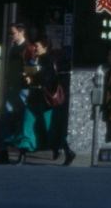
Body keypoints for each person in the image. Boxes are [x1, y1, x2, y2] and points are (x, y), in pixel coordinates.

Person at [19, 36, 75, 165]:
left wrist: (32, 78)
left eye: (37, 46)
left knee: (50, 128)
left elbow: (46, 78)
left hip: (44, 100)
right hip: (36, 98)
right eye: (34, 46)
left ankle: (67, 150)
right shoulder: (39, 59)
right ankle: (22, 154)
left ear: (45, 47)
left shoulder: (47, 60)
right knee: (27, 125)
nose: (35, 48)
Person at [0, 22, 29, 164]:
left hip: (22, 89)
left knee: (19, 120)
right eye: (11, 33)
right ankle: (3, 151)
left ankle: (19, 153)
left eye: (14, 33)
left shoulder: (27, 48)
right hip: (12, 88)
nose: (11, 36)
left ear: (21, 32)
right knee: (3, 119)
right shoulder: (14, 48)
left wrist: (26, 77)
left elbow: (31, 68)